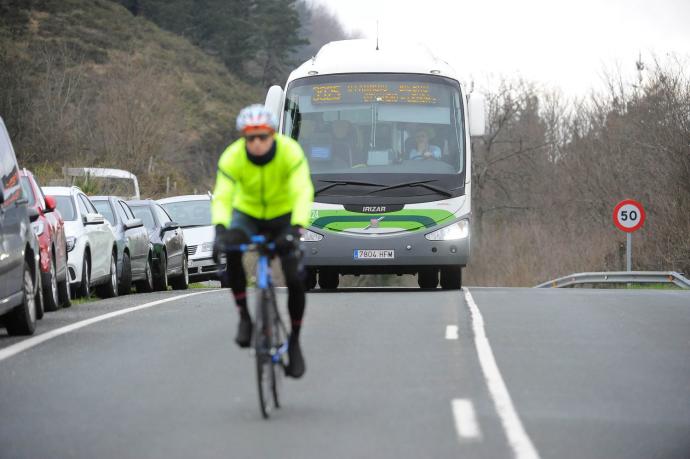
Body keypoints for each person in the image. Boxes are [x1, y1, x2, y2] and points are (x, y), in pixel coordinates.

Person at [211, 104, 314, 378]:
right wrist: (220, 229)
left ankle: (294, 341)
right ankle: (244, 316)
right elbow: (222, 196)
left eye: (263, 137)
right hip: (248, 215)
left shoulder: (290, 152)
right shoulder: (232, 157)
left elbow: (303, 190)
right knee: (231, 250)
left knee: (294, 278)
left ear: (272, 135)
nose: (257, 143)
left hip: (283, 216)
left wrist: (297, 227)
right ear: (244, 137)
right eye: (250, 137)